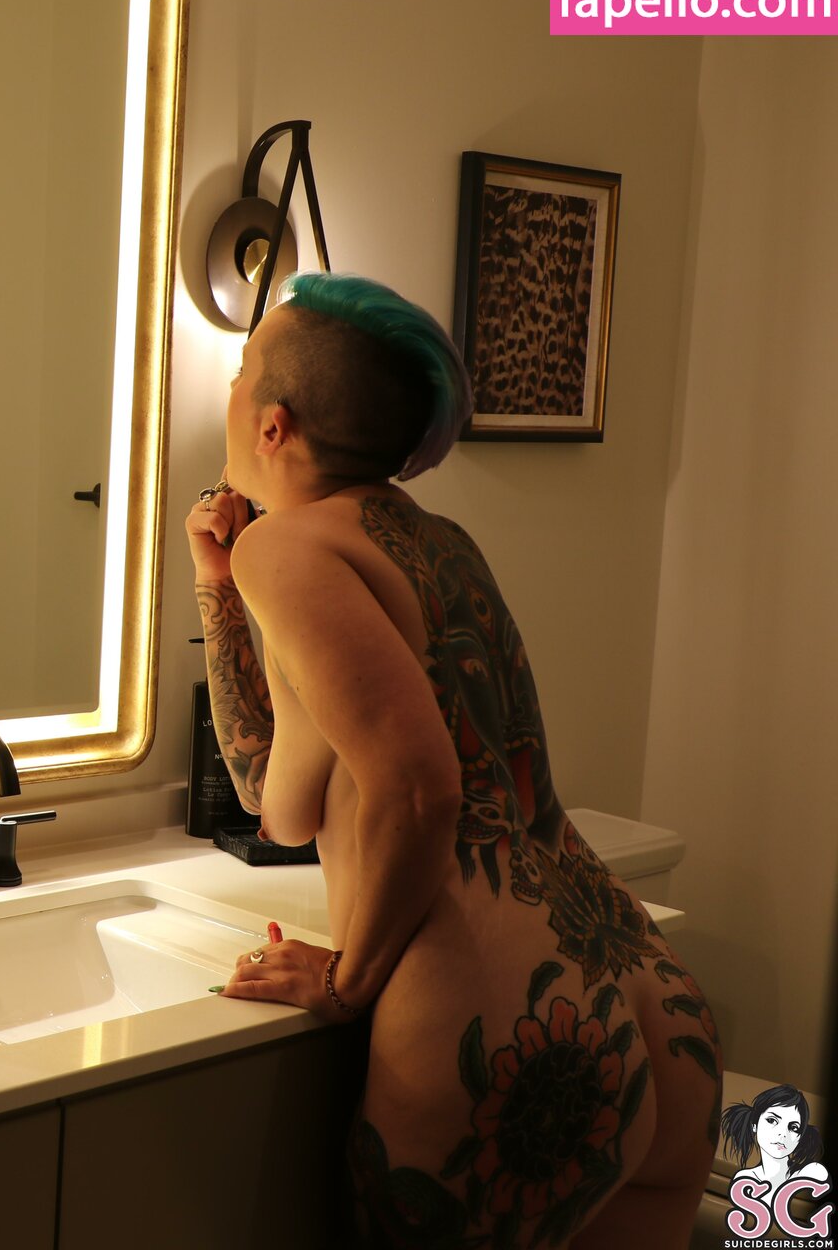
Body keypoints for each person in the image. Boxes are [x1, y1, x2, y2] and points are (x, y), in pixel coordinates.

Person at [187, 272, 721, 1247]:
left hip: (502, 1035)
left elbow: (419, 787)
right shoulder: (441, 544)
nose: (226, 393)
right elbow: (282, 799)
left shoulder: (289, 550)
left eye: (238, 373)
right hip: (640, 984)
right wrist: (218, 583)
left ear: (272, 424)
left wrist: (349, 981)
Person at [722, 1084, 828, 1197]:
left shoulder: (812, 1172)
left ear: (800, 1137)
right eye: (772, 1120)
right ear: (754, 1125)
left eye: (794, 1128)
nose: (783, 1134)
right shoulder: (744, 1178)